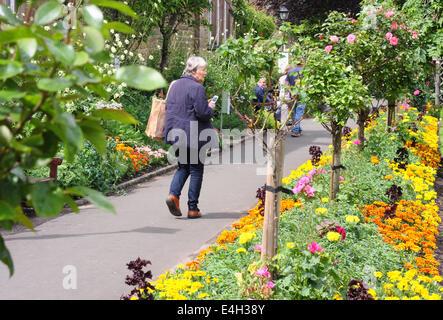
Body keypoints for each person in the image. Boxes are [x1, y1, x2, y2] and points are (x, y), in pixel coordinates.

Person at [163, 56, 218, 219]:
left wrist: (202, 104)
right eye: (203, 70)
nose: (205, 73)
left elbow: (176, 107)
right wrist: (210, 107)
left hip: (176, 134)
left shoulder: (174, 85)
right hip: (193, 135)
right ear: (193, 71)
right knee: (195, 170)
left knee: (183, 167)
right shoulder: (197, 88)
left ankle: (173, 195)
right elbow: (203, 113)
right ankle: (193, 208)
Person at [285, 61, 305, 137]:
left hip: (293, 95)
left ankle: (298, 129)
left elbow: (286, 85)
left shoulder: (290, 72)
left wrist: (292, 92)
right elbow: (301, 85)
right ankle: (295, 130)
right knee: (299, 113)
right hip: (302, 96)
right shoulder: (304, 71)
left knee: (296, 112)